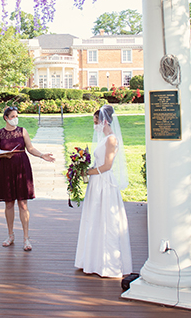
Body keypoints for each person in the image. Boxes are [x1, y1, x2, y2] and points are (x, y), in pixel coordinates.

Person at [74, 104, 132, 278]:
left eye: (96, 122)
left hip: (104, 183)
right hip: (95, 183)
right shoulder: (102, 139)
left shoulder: (111, 140)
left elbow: (107, 165)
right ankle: (92, 261)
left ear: (105, 121)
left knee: (107, 220)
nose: (95, 126)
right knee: (94, 219)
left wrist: (86, 172)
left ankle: (109, 264)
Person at [0, 106, 55, 251]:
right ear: (6, 118)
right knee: (8, 204)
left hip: (21, 167)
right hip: (6, 168)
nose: (15, 118)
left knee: (23, 204)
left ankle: (26, 238)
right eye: (12, 116)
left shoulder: (22, 131)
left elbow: (30, 148)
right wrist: (3, 155)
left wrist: (42, 155)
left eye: (16, 116)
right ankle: (10, 235)